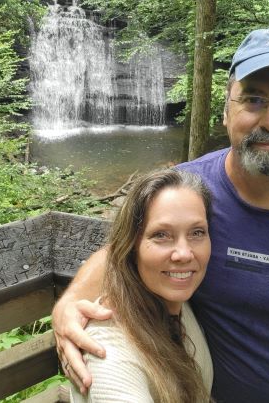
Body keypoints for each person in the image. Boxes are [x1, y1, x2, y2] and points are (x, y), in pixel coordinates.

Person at [53, 26, 269, 403]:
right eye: (253, 100)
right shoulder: (189, 192)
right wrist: (68, 305)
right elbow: (121, 252)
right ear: (226, 109)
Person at [67, 168, 214, 402]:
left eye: (197, 232)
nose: (184, 254)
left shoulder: (173, 301)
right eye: (161, 235)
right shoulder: (108, 351)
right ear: (131, 246)